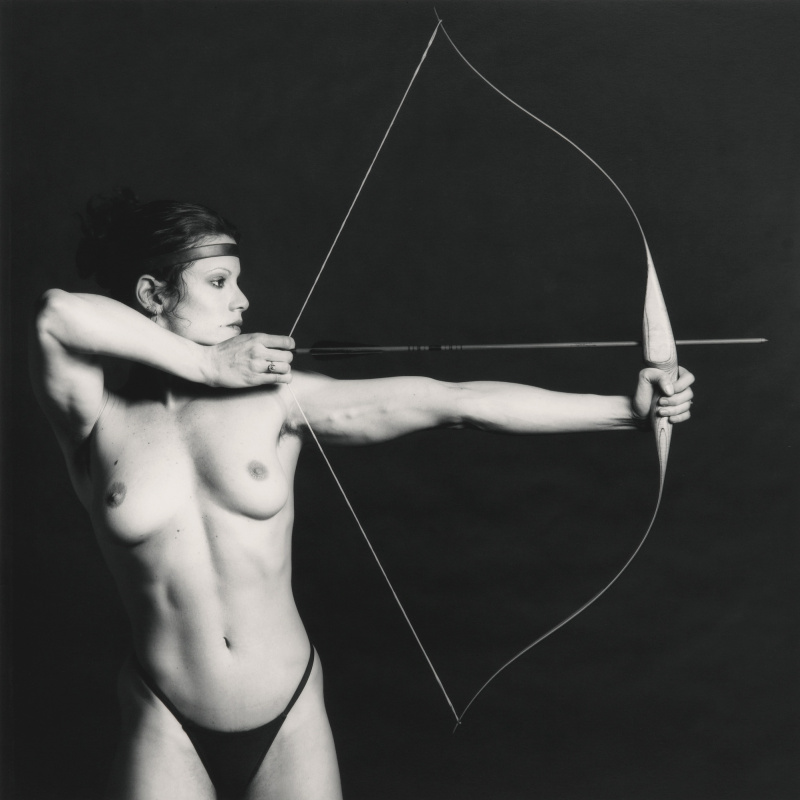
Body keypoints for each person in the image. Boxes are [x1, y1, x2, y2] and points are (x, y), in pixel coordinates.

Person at [30, 190, 695, 800]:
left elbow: (455, 402)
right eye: (218, 281)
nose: (242, 301)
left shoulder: (280, 401)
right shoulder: (95, 417)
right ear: (152, 294)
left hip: (285, 717)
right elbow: (58, 315)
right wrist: (205, 364)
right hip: (163, 717)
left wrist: (625, 413)